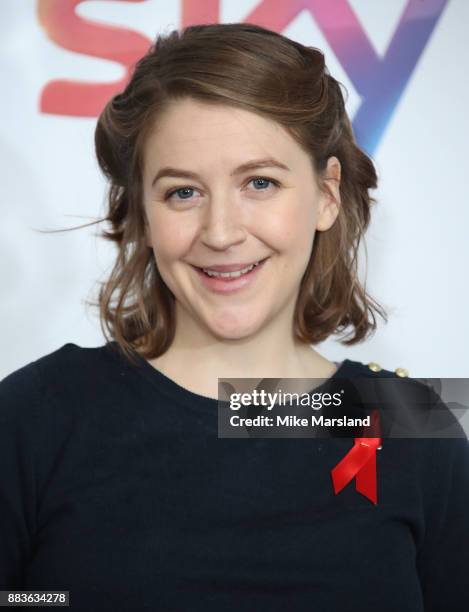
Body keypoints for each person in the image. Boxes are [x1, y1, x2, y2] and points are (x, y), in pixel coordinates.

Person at [1, 22, 468, 612]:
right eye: (182, 193)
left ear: (326, 194)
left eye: (260, 182)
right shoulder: (37, 416)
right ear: (142, 211)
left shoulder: (413, 424)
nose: (221, 233)